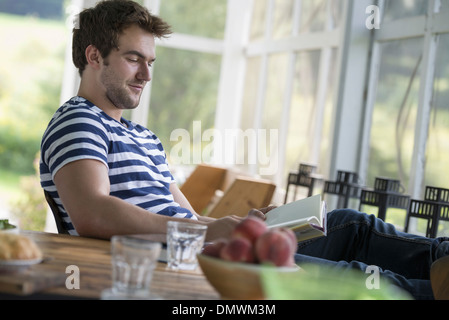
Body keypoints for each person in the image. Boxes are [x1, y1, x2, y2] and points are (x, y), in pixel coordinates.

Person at [40, 0, 448, 300]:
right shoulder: (80, 120)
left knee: (350, 225)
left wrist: (242, 222)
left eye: (150, 61)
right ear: (94, 56)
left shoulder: (142, 137)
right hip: (182, 265)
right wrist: (206, 231)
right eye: (134, 59)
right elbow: (92, 212)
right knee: (352, 278)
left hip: (202, 247)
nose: (147, 74)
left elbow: (191, 216)